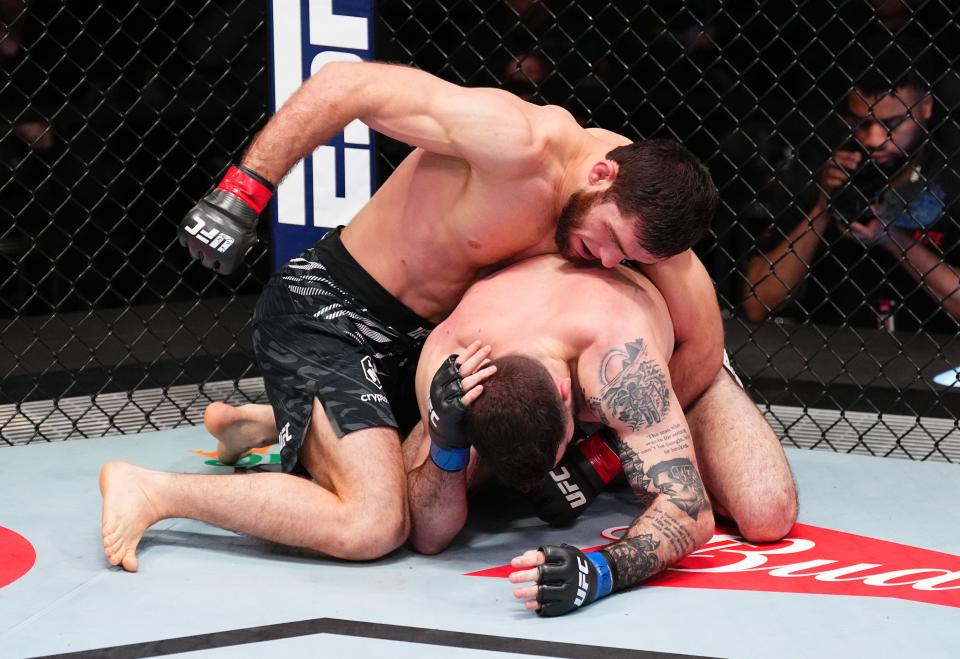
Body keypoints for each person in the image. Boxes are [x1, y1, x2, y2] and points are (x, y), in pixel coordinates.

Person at [100, 61, 725, 572]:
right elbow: (349, 85)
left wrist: (604, 453)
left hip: (424, 345)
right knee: (376, 522)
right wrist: (243, 190)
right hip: (332, 311)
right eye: (611, 239)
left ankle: (268, 425)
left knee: (483, 456)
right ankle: (154, 490)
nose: (609, 261)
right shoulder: (515, 142)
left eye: (631, 259)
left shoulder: (640, 214)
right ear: (600, 173)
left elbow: (703, 344)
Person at [403, 255, 797, 616]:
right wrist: (446, 442)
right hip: (524, 371)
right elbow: (428, 536)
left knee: (766, 511)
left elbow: (689, 509)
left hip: (670, 366)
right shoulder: (454, 368)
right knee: (429, 471)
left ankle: (678, 408)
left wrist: (601, 571)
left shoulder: (621, 362)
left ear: (562, 391)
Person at [742, 43, 960, 332]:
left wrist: (891, 239)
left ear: (926, 107)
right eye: (862, 123)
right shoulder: (823, 171)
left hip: (937, 360)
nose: (874, 139)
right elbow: (758, 304)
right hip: (829, 356)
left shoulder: (950, 177)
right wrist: (822, 208)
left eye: (892, 124)